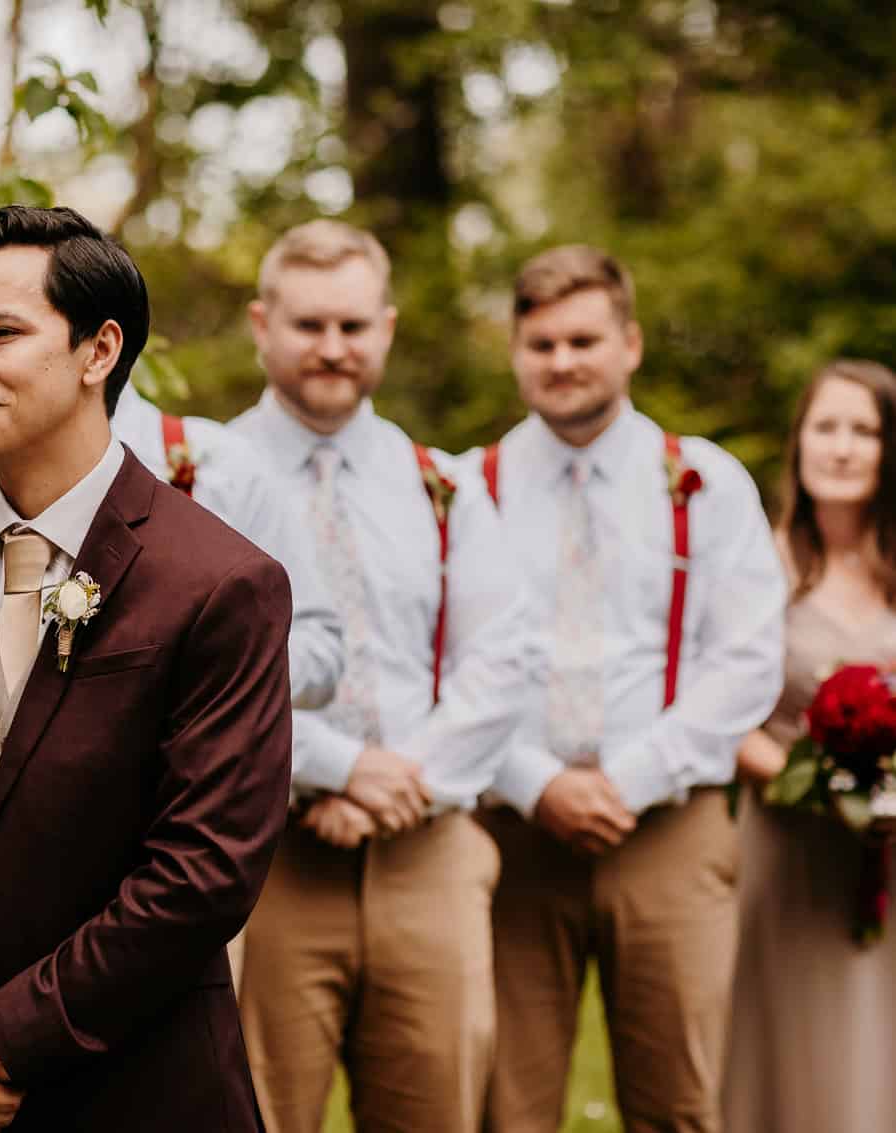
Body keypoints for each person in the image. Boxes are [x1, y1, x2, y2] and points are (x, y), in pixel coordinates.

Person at [0, 205, 292, 1131]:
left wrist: (4, 1036)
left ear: (99, 352)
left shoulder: (222, 582)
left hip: (137, 1083)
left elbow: (202, 871)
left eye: (1, 332)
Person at [228, 219, 541, 1133]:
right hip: (266, 857)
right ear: (261, 323)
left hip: (427, 851)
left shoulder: (441, 485)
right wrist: (333, 765)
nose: (333, 348)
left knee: (437, 1108)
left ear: (388, 330)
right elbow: (208, 672)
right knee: (256, 1108)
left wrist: (393, 783)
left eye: (354, 327)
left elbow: (503, 657)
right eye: (309, 324)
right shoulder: (205, 478)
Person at [474, 245, 786, 1133]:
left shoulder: (706, 483)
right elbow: (447, 662)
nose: (562, 361)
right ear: (517, 352)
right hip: (514, 825)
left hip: (668, 828)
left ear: (631, 343)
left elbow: (748, 661)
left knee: (680, 1101)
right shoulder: (470, 486)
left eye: (584, 339)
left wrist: (630, 779)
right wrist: (536, 782)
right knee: (507, 1101)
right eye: (541, 343)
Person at [0, 385, 344, 715]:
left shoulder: (230, 469)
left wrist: (182, 672)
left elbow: (319, 651)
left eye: (7, 330)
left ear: (103, 342)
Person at [722, 359, 896, 1132]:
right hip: (788, 840)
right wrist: (821, 789)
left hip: (890, 847)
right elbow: (724, 713)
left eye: (866, 430)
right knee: (792, 1047)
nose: (844, 446)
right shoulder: (761, 565)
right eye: (827, 427)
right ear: (799, 445)